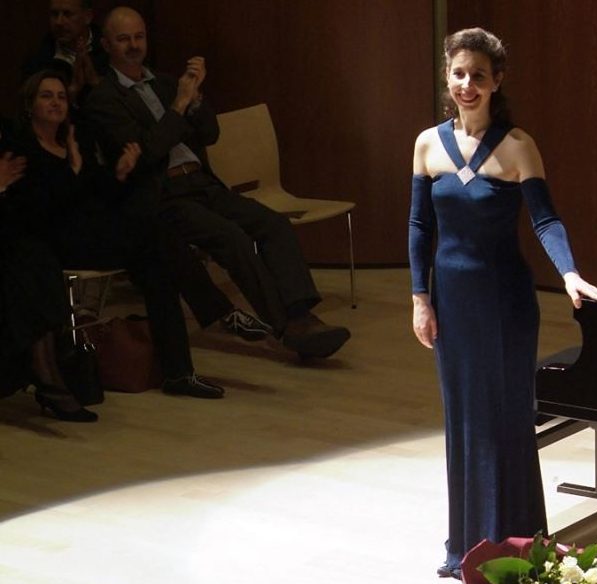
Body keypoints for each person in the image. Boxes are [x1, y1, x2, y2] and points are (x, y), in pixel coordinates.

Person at [408, 28, 597, 579]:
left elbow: (546, 220)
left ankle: (514, 545)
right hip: (452, 305)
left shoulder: (518, 145)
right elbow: (418, 226)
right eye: (459, 73)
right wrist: (419, 298)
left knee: (505, 422)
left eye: (479, 75)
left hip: (504, 304)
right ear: (447, 77)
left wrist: (570, 273)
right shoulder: (427, 144)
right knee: (463, 420)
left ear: (497, 80)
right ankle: (466, 548)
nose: (467, 84)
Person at [84, 6, 350, 359]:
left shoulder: (165, 83)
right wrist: (178, 106)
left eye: (139, 37)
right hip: (164, 194)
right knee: (231, 239)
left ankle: (301, 313)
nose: (133, 45)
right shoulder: (103, 99)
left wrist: (195, 100)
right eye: (123, 39)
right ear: (105, 44)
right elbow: (147, 155)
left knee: (272, 224)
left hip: (203, 183)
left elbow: (210, 134)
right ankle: (287, 329)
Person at [14, 70, 223, 399]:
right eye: (46, 96)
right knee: (155, 238)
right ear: (30, 104)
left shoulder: (73, 139)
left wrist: (121, 172)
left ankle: (180, 372)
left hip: (95, 232)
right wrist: (74, 170)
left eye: (60, 96)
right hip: (58, 243)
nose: (55, 102)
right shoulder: (22, 150)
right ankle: (217, 314)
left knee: (158, 261)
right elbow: (36, 211)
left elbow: (101, 191)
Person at [0, 120, 96, 421]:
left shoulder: (13, 140)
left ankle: (47, 371)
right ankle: (48, 374)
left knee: (33, 256)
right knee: (28, 262)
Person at [21, 0, 109, 109]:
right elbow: (30, 110)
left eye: (67, 14)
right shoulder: (38, 60)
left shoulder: (110, 49)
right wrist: (72, 91)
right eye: (54, 14)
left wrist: (96, 82)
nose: (59, 22)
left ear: (88, 17)